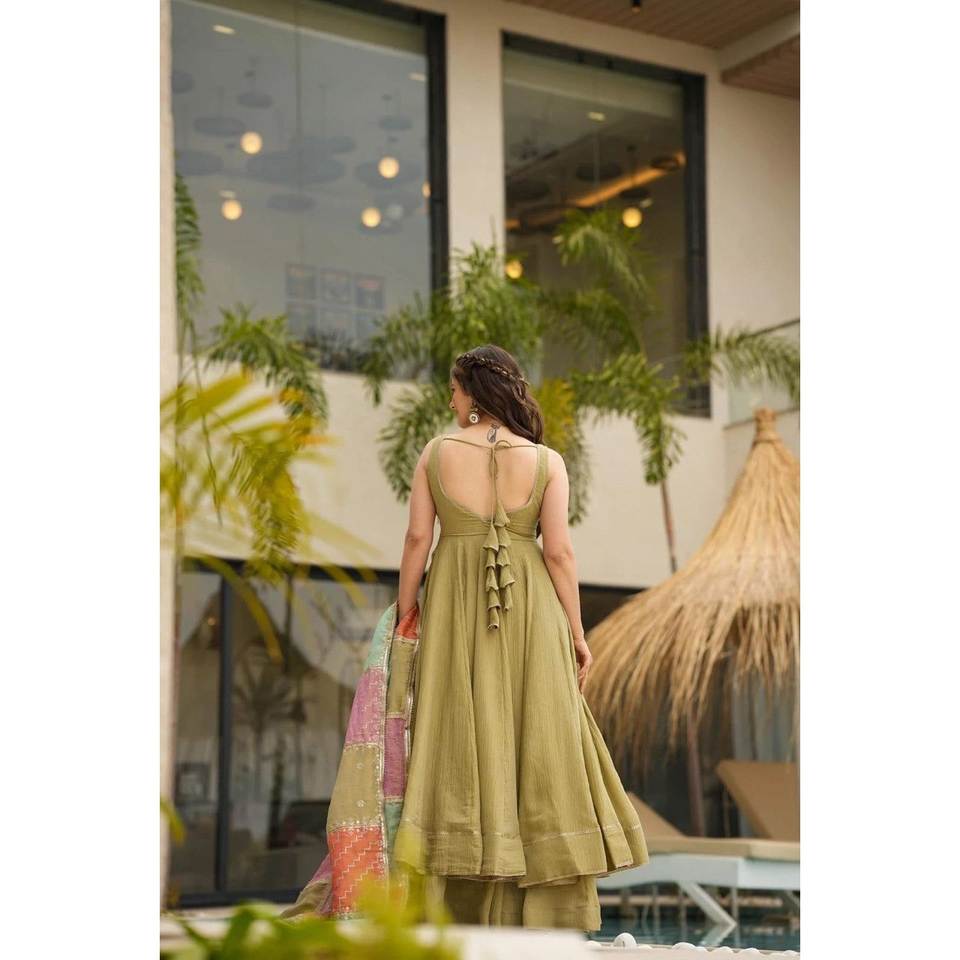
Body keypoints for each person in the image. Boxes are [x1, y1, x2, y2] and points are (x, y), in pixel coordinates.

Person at [391, 344, 648, 933]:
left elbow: (416, 540)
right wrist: (577, 631)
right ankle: (542, 903)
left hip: (454, 604)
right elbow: (558, 552)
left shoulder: (435, 452)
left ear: (473, 393)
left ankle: (454, 900)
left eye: (454, 389)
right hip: (532, 608)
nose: (450, 401)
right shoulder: (548, 461)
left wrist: (407, 613)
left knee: (454, 730)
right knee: (538, 733)